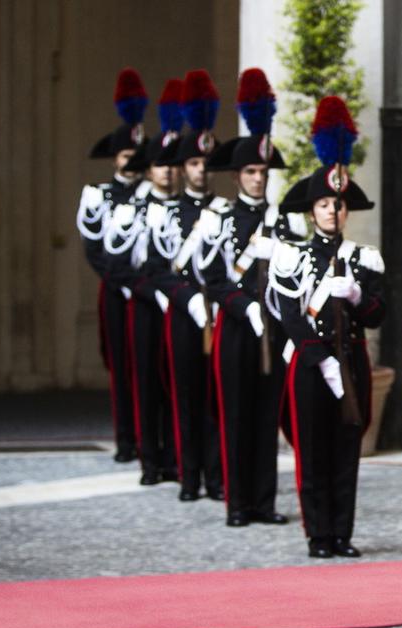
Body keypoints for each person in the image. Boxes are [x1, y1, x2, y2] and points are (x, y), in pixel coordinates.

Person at [271, 96, 384, 559]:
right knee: (312, 448)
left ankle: (343, 532)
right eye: (323, 204)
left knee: (346, 448)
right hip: (311, 362)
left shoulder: (364, 257)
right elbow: (288, 311)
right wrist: (318, 357)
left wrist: (358, 298)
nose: (331, 212)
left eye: (337, 204)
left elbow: (378, 313)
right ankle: (318, 533)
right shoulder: (291, 255)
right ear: (311, 210)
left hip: (352, 356)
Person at [201, 68, 289, 528]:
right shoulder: (220, 220)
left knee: (265, 416)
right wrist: (243, 307)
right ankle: (237, 504)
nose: (258, 179)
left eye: (263, 172)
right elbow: (213, 278)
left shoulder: (283, 222)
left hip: (272, 331)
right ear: (237, 175)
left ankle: (264, 501)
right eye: (251, 172)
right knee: (236, 415)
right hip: (236, 331)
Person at [143, 69, 232, 502]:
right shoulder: (165, 213)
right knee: (185, 395)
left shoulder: (225, 210)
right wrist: (188, 300)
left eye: (205, 163)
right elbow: (157, 268)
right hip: (184, 313)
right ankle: (189, 475)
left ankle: (217, 477)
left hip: (220, 311)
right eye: (193, 163)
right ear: (183, 166)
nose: (200, 171)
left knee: (217, 398)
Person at [107, 77, 186, 487]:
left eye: (173, 166)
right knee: (143, 380)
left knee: (175, 381)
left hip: (178, 302)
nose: (168, 173)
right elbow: (118, 263)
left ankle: (174, 458)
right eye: (160, 165)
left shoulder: (187, 209)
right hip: (143, 301)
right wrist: (152, 291)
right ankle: (149, 459)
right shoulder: (131, 209)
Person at [77, 67, 147, 465]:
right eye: (125, 155)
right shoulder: (98, 196)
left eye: (137, 155)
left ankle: (148, 436)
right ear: (115, 158)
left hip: (149, 286)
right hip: (116, 289)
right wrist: (118, 280)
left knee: (150, 364)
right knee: (120, 364)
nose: (131, 161)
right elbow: (93, 247)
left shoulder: (154, 197)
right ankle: (125, 439)